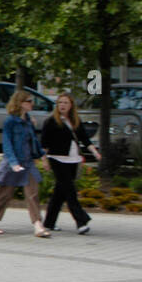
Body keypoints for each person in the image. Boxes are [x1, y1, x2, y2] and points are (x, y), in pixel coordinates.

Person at [0, 90, 49, 237]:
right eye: (29, 101)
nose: (32, 104)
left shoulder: (28, 121)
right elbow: (7, 144)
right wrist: (13, 163)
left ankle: (38, 225)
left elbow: (33, 141)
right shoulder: (10, 122)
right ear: (20, 103)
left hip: (28, 163)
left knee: (32, 193)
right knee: (5, 194)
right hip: (13, 163)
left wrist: (43, 156)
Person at [41, 92, 100, 235]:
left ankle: (49, 223)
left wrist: (95, 152)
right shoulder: (51, 121)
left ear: (71, 105)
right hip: (57, 159)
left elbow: (84, 139)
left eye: (65, 103)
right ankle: (81, 221)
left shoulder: (75, 120)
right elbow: (44, 144)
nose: (62, 105)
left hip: (73, 159)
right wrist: (44, 160)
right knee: (70, 191)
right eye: (60, 102)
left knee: (60, 192)